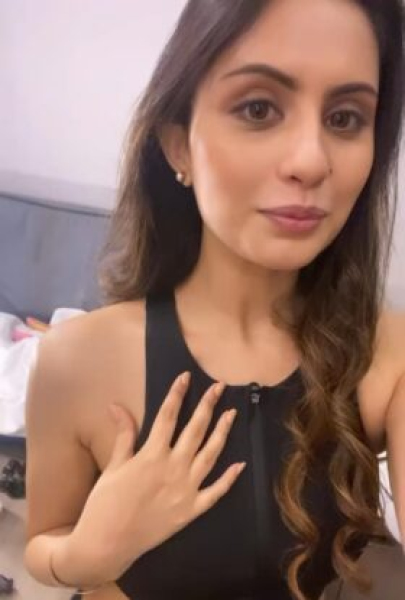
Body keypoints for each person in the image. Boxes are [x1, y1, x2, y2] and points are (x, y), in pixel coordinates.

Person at [24, 1, 405, 599]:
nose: (312, 161)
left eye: (345, 118)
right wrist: (83, 554)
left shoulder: (386, 354)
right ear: (179, 145)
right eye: (259, 108)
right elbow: (41, 543)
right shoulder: (77, 359)